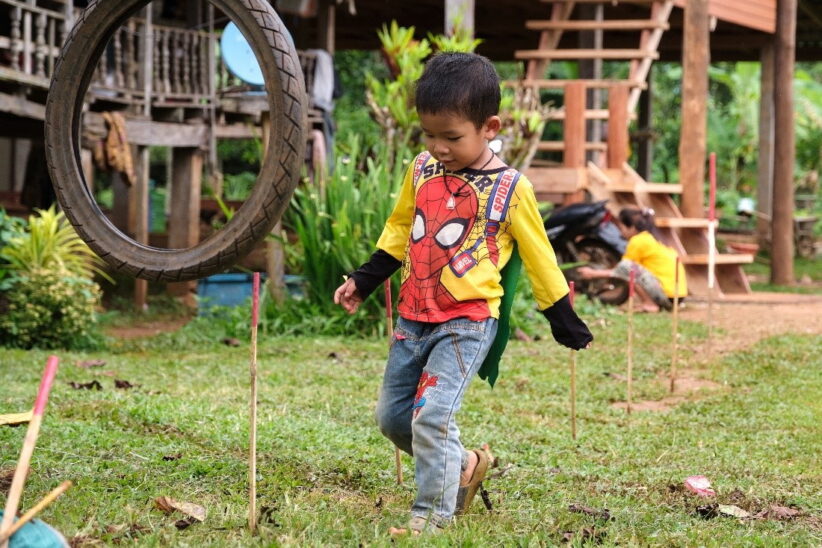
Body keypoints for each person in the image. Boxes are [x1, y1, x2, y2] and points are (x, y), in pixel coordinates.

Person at [333, 52, 593, 535]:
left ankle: (431, 515)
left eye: (451, 137)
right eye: (429, 135)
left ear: (489, 126)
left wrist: (562, 316)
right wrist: (365, 279)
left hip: (467, 323)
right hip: (414, 316)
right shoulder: (422, 169)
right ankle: (466, 462)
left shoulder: (511, 188)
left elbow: (540, 256)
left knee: (430, 417)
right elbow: (399, 229)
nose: (438, 147)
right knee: (393, 419)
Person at [578, 208, 687, 312]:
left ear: (632, 228)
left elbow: (623, 269)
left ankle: (650, 304)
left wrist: (593, 273)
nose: (621, 233)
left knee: (628, 267)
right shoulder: (654, 238)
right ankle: (650, 302)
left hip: (667, 296)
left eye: (622, 228)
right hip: (678, 297)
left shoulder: (638, 241)